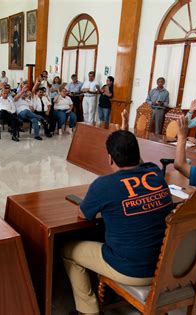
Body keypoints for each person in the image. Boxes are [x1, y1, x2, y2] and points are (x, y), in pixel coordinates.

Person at [62, 111, 174, 314]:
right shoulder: (156, 175)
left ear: (110, 158)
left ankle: (88, 311)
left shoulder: (104, 185)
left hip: (129, 269)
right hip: (163, 264)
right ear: (137, 153)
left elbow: (83, 215)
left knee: (69, 249)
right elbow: (140, 162)